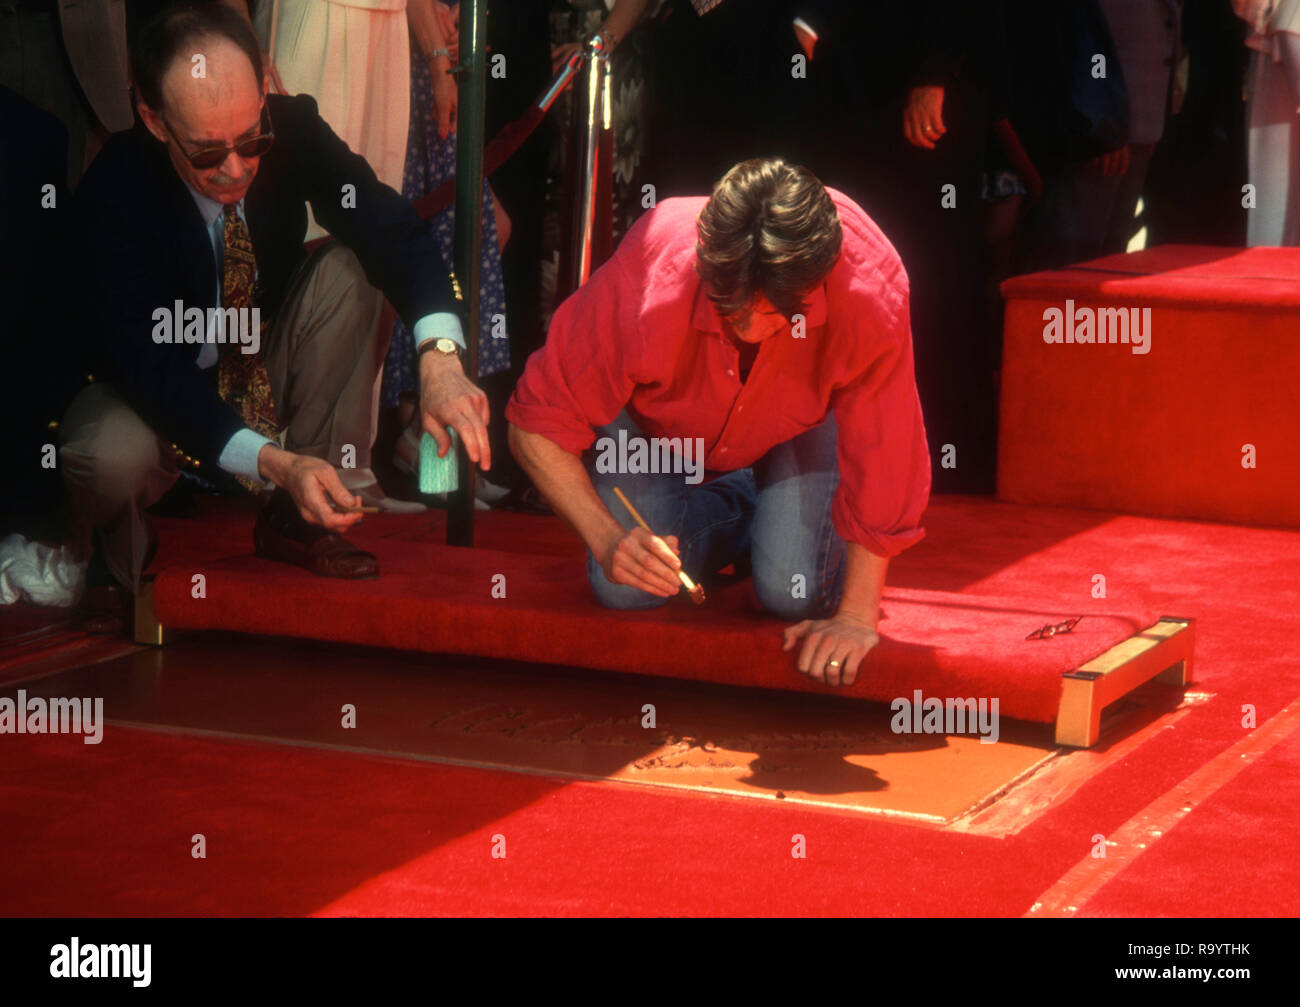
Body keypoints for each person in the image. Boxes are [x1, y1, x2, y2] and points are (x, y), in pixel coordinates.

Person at [62, 2, 491, 593]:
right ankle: (115, 559)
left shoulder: (292, 127)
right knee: (105, 454)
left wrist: (440, 355)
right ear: (155, 120)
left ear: (264, 90)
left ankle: (306, 511)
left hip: (258, 372)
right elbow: (153, 374)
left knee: (351, 268)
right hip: (154, 400)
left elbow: (389, 226)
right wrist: (274, 463)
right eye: (209, 153)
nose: (237, 168)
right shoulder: (115, 189)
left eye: (252, 138)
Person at [507, 158, 931, 688]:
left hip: (800, 421)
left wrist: (856, 617)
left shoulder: (869, 284)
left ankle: (773, 517)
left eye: (774, 314)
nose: (750, 329)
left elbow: (887, 453)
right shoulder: (654, 258)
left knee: (793, 591)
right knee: (628, 588)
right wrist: (606, 538)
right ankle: (746, 507)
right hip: (656, 427)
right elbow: (536, 420)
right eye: (729, 308)